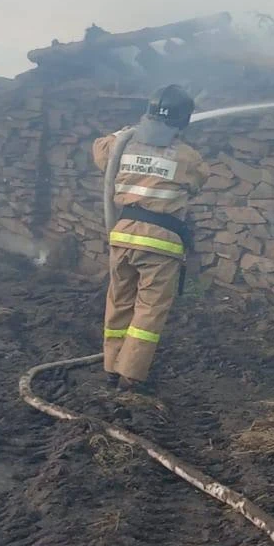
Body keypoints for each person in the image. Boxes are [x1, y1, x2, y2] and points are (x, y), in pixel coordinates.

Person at [92, 85, 209, 393]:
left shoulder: (121, 144)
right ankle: (131, 377)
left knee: (119, 303)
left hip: (123, 237)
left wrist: (124, 133)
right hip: (160, 244)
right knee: (149, 309)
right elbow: (197, 181)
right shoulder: (187, 157)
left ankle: (111, 368)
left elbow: (99, 150)